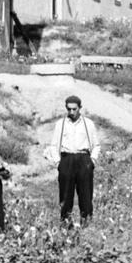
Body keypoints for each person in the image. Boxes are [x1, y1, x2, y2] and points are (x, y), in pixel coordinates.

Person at [48, 95, 101, 226]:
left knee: (86, 196)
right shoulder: (61, 124)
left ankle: (86, 225)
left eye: (74, 109)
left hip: (84, 159)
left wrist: (92, 161)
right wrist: (58, 163)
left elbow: (96, 145)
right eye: (69, 109)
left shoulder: (88, 123)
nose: (71, 112)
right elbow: (54, 145)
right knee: (65, 197)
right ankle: (66, 225)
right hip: (66, 159)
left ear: (80, 108)